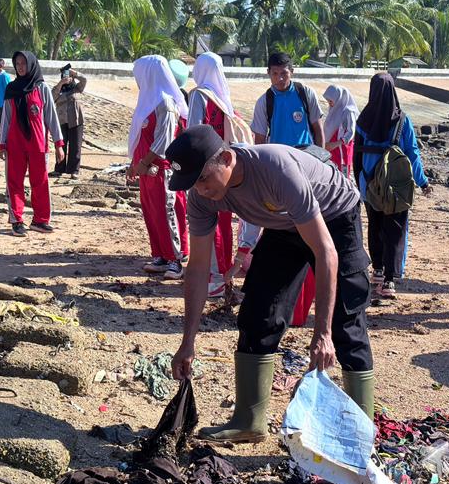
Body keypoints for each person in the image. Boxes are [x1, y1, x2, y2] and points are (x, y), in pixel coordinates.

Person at [168, 125, 374, 441]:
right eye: (191, 183)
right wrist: (187, 342)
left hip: (334, 217)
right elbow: (196, 270)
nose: (200, 189)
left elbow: (326, 252)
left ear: (225, 158)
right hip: (283, 224)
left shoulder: (274, 169)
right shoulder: (202, 196)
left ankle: (361, 433)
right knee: (257, 313)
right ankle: (249, 421)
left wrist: (322, 333)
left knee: (346, 323)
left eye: (203, 179)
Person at [354, 73, 431, 299]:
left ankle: (377, 270)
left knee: (375, 227)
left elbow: (356, 156)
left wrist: (359, 185)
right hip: (396, 187)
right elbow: (412, 154)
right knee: (395, 230)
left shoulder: (363, 120)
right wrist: (422, 181)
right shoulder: (402, 120)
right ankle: (389, 280)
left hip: (369, 184)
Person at [128, 55, 189, 280]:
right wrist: (132, 164)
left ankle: (175, 259)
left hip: (160, 169)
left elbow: (163, 140)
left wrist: (143, 163)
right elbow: (137, 136)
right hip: (145, 169)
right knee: (151, 212)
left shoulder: (165, 103)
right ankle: (161, 255)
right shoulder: (146, 100)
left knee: (167, 211)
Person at [188, 52, 237, 297]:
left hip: (205, 167)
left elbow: (193, 132)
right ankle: (224, 275)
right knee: (225, 222)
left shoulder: (199, 95)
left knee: (209, 222)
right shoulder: (224, 97)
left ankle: (215, 277)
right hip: (225, 166)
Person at [0, 51, 64, 236]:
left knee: (41, 181)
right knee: (14, 182)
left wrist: (59, 143)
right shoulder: (11, 89)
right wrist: (2, 143)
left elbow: (51, 116)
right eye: (17, 63)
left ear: (31, 65)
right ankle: (17, 221)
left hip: (38, 144)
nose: (20, 66)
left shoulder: (41, 87)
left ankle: (40, 221)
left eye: (23, 63)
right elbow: (6, 117)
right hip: (15, 144)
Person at [250, 52, 324, 147]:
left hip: (306, 156)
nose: (280, 78)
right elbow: (260, 139)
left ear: (292, 71)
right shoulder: (264, 102)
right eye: (275, 73)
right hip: (278, 158)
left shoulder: (306, 93)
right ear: (268, 72)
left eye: (284, 73)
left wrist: (321, 158)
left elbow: (318, 129)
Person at [51, 67, 86, 178]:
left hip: (76, 120)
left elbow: (84, 79)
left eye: (69, 77)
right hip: (61, 121)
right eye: (65, 76)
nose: (68, 79)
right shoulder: (58, 90)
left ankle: (73, 171)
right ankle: (59, 169)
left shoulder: (77, 88)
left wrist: (75, 73)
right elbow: (52, 97)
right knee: (61, 145)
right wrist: (61, 83)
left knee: (75, 146)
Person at [322, 84, 358, 176]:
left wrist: (336, 144)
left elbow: (351, 132)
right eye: (328, 101)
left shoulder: (348, 112)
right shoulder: (334, 110)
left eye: (331, 100)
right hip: (331, 149)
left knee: (343, 174)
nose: (329, 103)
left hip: (342, 149)